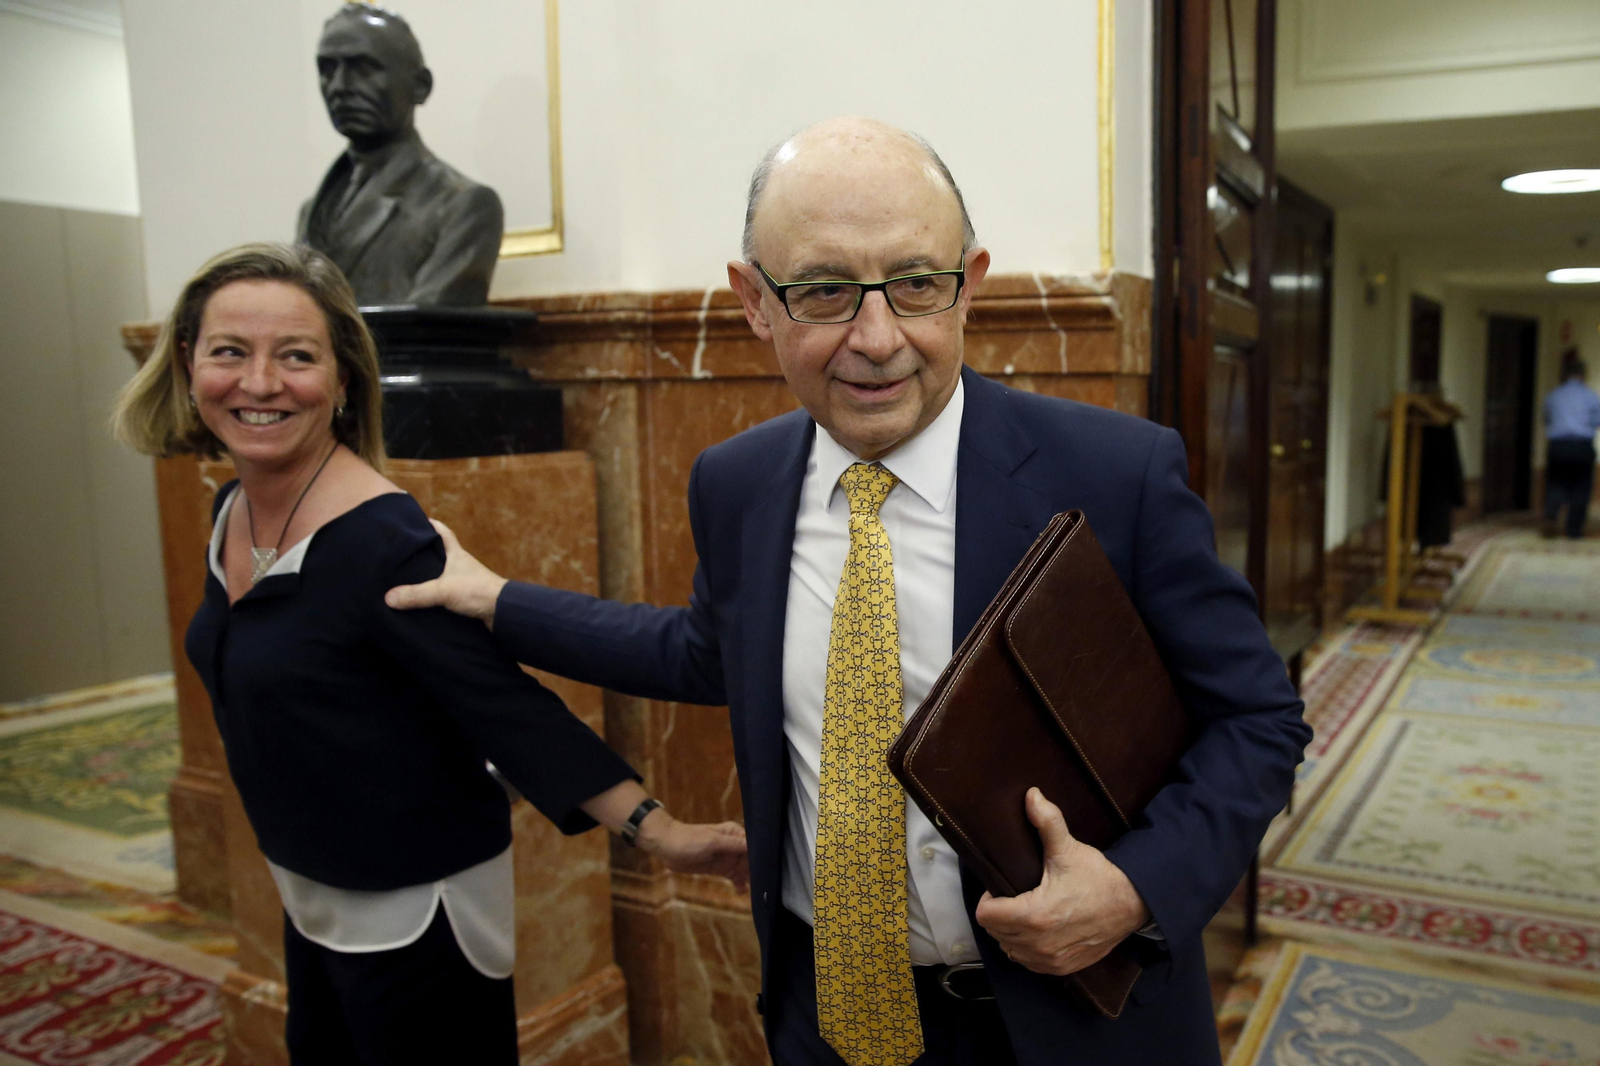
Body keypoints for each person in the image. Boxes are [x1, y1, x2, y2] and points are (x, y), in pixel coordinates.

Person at [387, 118, 1309, 1065]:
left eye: (916, 283)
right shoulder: (736, 483)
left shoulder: (1115, 475)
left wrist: (1132, 888)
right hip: (828, 1017)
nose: (877, 339)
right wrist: (497, 600)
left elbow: (1258, 720)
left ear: (969, 284)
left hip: (1073, 1027)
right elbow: (706, 651)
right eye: (824, 291)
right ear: (755, 302)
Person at [112, 243, 746, 1065]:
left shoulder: (384, 538)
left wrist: (659, 833)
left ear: (343, 381)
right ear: (187, 365)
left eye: (296, 356)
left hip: (417, 913)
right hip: (308, 890)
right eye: (230, 351)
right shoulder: (232, 506)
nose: (259, 383)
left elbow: (503, 705)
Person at [298, 4, 503, 306]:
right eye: (328, 69)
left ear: (420, 86)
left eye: (363, 69)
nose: (340, 87)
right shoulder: (313, 211)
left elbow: (426, 324)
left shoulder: (462, 206)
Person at [1541, 356, 1600, 539]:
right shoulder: (1591, 397)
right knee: (1581, 487)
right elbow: (1597, 421)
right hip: (1582, 446)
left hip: (1558, 446)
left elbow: (1546, 419)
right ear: (1583, 375)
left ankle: (1552, 511)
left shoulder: (1553, 396)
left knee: (1556, 482)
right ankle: (1574, 529)